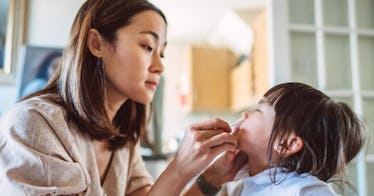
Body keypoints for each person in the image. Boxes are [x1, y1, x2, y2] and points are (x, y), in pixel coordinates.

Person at [0, 0, 240, 195]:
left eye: (162, 54)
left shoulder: (123, 137)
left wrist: (211, 177)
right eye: (147, 46)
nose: (159, 66)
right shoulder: (32, 124)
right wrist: (178, 169)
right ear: (96, 44)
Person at [198, 82, 366, 195]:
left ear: (287, 143)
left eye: (259, 110)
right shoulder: (241, 186)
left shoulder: (304, 189)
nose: (245, 114)